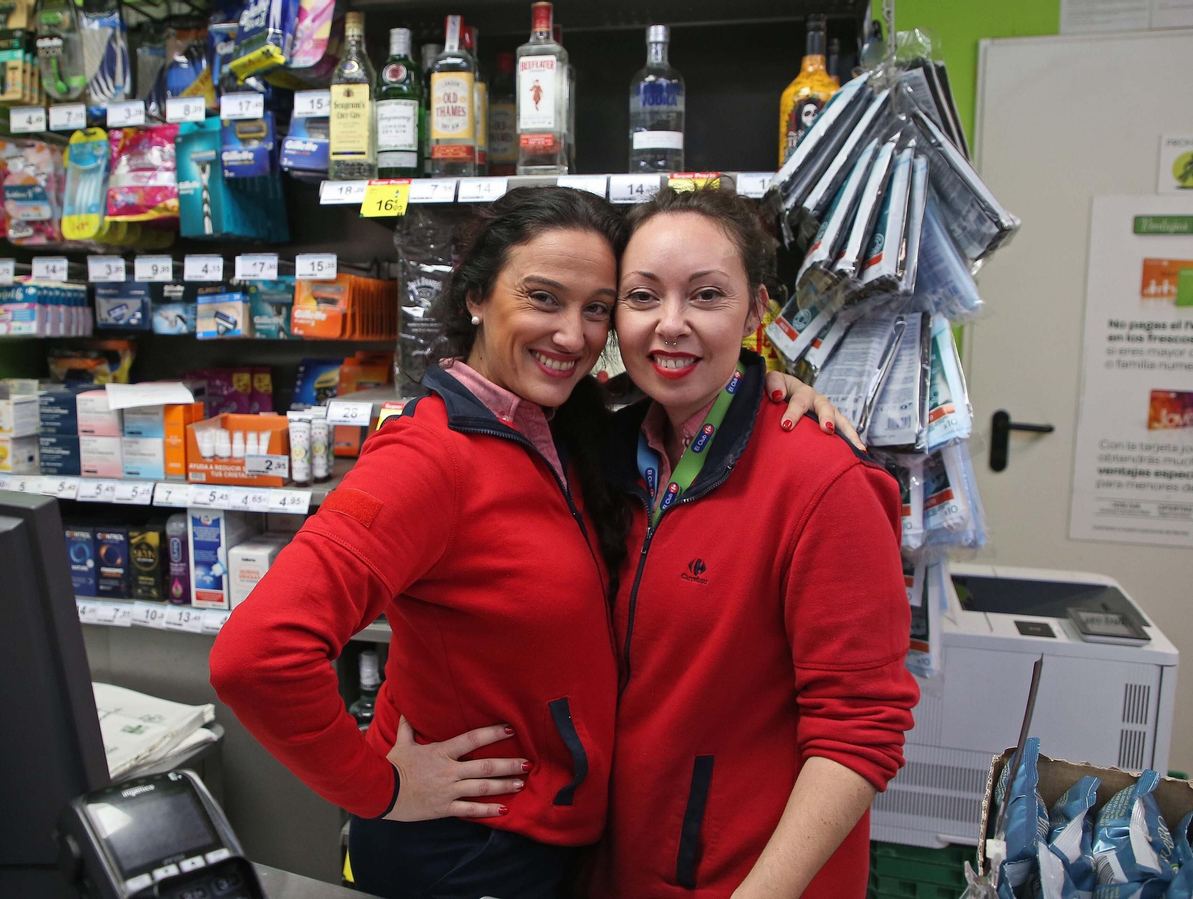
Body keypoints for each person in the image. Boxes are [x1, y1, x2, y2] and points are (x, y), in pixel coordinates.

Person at [207, 188, 841, 899]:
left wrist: (764, 386)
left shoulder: (566, 430)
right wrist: (377, 786)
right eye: (543, 298)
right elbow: (257, 656)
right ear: (476, 295)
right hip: (467, 851)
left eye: (597, 307)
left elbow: (692, 404)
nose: (572, 335)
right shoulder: (429, 456)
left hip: (550, 840)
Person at [588, 186, 919, 899]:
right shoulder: (612, 454)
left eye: (705, 296)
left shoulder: (822, 481)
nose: (669, 325)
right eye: (643, 297)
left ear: (757, 310)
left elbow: (860, 731)